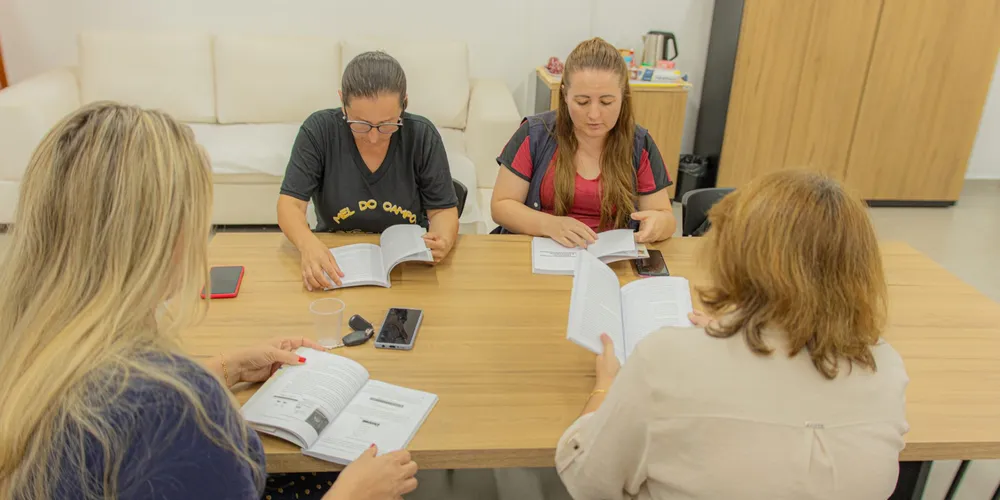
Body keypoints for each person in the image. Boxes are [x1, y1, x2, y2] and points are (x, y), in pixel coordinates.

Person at [0, 102, 418, 500]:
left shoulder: (28, 347)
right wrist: (351, 493)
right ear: (161, 240)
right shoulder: (179, 413)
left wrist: (226, 367)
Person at [556, 171, 909, 499]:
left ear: (737, 256)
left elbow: (588, 481)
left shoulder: (664, 360)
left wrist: (605, 388)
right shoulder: (885, 366)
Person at [278, 51, 460, 290]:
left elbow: (443, 211)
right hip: (337, 260)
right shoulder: (319, 132)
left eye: (387, 124)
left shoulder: (422, 135)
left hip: (407, 265)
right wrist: (307, 245)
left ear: (404, 104)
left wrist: (442, 239)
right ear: (342, 102)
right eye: (360, 124)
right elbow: (289, 205)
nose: (373, 137)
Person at [491, 38, 676, 248]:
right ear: (565, 95)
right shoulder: (535, 134)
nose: (594, 114)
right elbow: (501, 206)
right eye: (582, 102)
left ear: (623, 97)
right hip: (541, 251)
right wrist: (550, 225)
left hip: (610, 260)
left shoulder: (639, 143)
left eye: (607, 102)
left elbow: (666, 218)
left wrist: (658, 224)